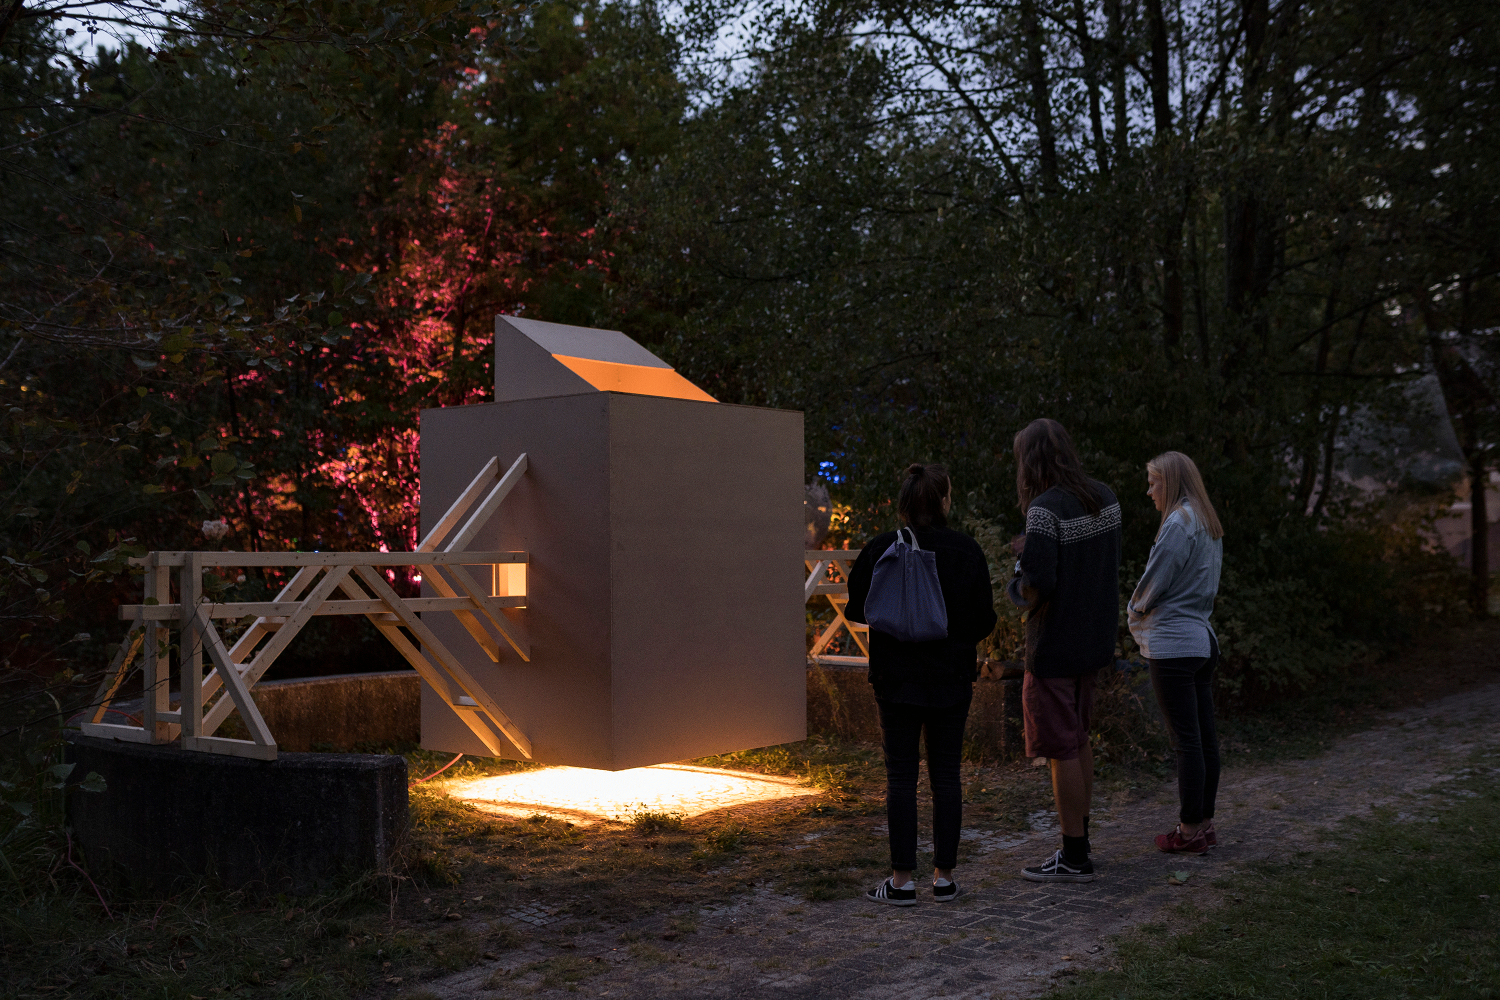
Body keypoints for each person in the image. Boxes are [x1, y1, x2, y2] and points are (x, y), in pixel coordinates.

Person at [845, 463, 997, 905]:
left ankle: (901, 882)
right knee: (946, 775)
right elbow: (984, 619)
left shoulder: (882, 548)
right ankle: (944, 878)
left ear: (904, 504)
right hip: (951, 679)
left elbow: (857, 607)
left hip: (895, 679)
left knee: (901, 776)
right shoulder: (966, 551)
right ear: (945, 501)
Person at [1006, 419, 1121, 883]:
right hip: (1095, 638)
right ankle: (1082, 839)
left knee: (1060, 747)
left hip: (1054, 645)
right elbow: (1093, 559)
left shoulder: (1043, 509)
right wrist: (1036, 549)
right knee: (1080, 737)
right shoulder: (1105, 497)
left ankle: (1073, 855)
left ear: (1030, 462)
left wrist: (1021, 568)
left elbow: (1038, 583)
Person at [1127, 451, 1225, 855]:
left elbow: (1155, 581)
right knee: (1203, 738)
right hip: (1200, 639)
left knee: (1187, 741)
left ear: (1170, 481)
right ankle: (1204, 822)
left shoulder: (1178, 523)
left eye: (1154, 482)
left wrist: (1135, 609)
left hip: (1174, 644)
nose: (1149, 491)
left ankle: (1188, 831)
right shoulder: (1205, 519)